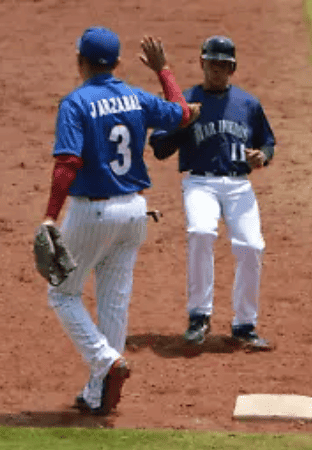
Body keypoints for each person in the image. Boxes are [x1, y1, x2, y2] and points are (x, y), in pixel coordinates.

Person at [39, 26, 199, 416]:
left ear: (81, 61)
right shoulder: (135, 96)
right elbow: (181, 113)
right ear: (118, 63)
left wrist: (49, 217)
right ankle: (97, 393)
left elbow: (67, 164)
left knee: (61, 293)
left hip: (92, 213)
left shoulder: (75, 103)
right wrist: (164, 71)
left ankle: (105, 361)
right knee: (114, 301)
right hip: (133, 212)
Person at [148, 35, 275, 351]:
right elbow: (160, 148)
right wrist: (184, 122)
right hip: (199, 182)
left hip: (238, 185)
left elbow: (267, 142)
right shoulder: (185, 99)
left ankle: (245, 325)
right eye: (212, 63)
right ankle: (198, 316)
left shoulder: (248, 104)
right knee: (201, 231)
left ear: (233, 68)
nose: (217, 70)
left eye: (224, 65)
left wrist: (263, 156)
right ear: (201, 63)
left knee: (251, 246)